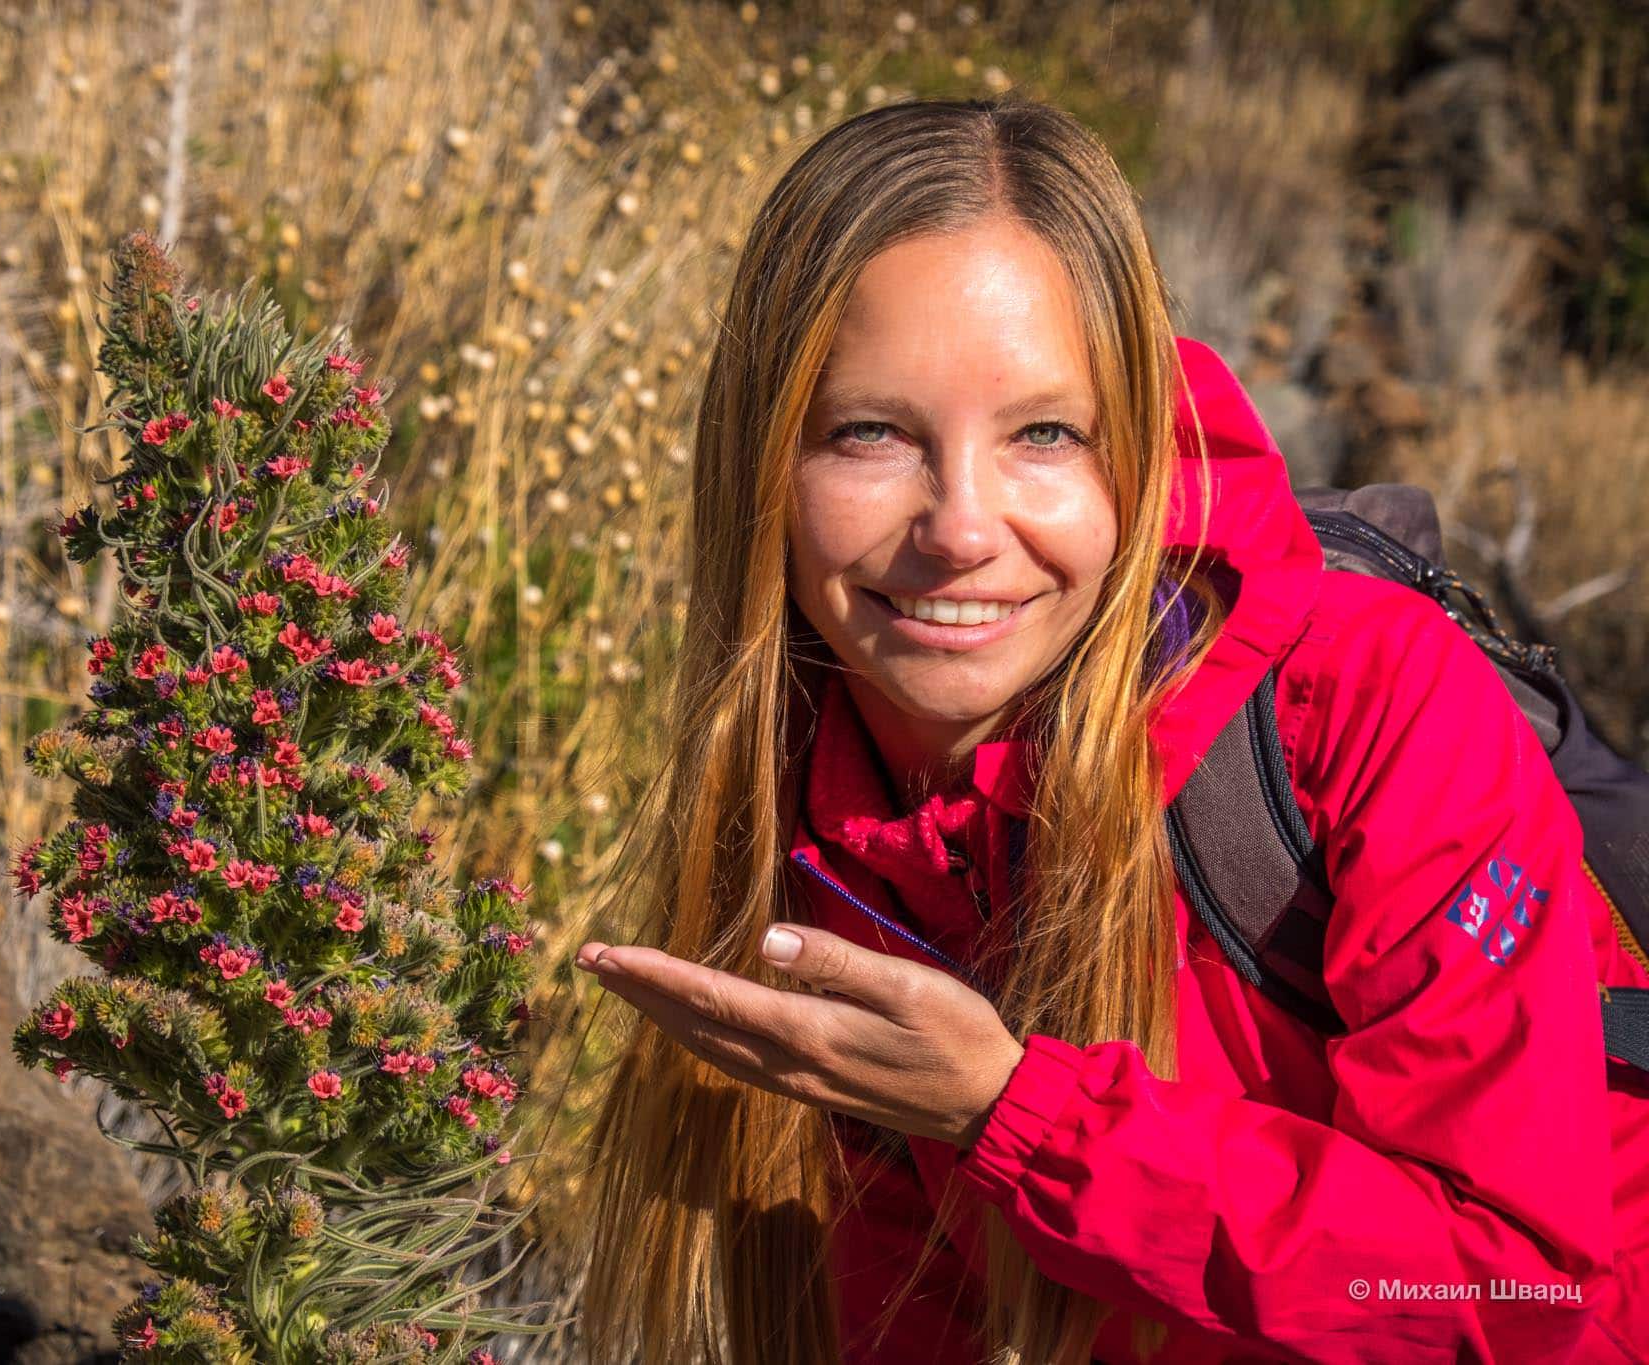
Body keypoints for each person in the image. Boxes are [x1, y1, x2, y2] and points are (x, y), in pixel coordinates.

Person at [563, 95, 1649, 1364]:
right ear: (762, 467)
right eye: (869, 433)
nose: (959, 528)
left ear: (1133, 446)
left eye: (1043, 435)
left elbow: (1528, 1300)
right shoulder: (818, 822)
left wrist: (1014, 1116)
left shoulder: (1363, 706)